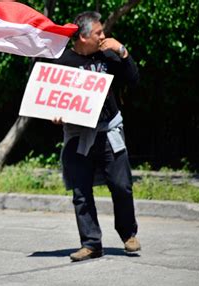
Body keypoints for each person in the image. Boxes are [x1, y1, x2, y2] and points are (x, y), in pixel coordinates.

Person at [49, 11, 141, 262]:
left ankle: (128, 235)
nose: (103, 36)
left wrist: (123, 51)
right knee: (80, 192)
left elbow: (133, 80)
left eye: (103, 32)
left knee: (121, 186)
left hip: (109, 129)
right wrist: (53, 113)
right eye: (98, 33)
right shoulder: (61, 61)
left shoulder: (108, 55)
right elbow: (48, 95)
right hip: (78, 135)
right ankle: (91, 244)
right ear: (82, 37)